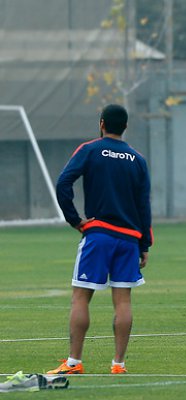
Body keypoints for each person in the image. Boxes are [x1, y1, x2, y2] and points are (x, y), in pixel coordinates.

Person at [48, 104, 152, 374]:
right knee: (124, 301)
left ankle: (74, 362)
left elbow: (63, 183)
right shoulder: (138, 160)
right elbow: (144, 206)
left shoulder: (90, 150)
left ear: (102, 123)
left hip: (99, 234)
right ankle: (119, 364)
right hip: (129, 239)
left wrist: (75, 219)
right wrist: (145, 245)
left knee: (81, 297)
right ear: (125, 127)